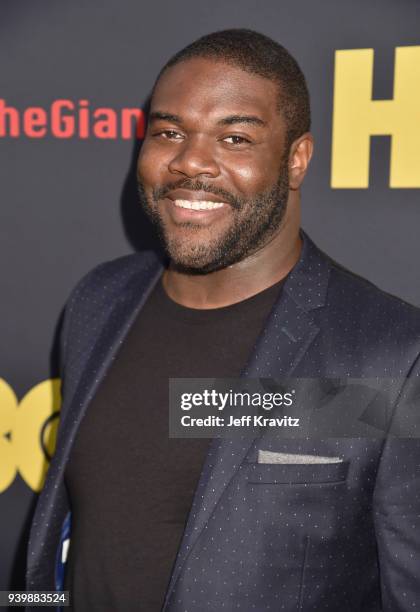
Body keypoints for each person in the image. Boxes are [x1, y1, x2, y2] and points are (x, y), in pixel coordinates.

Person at [26, 29, 420, 611]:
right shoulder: (98, 300)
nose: (189, 161)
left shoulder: (390, 355)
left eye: (234, 137)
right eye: (169, 132)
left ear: (296, 159)